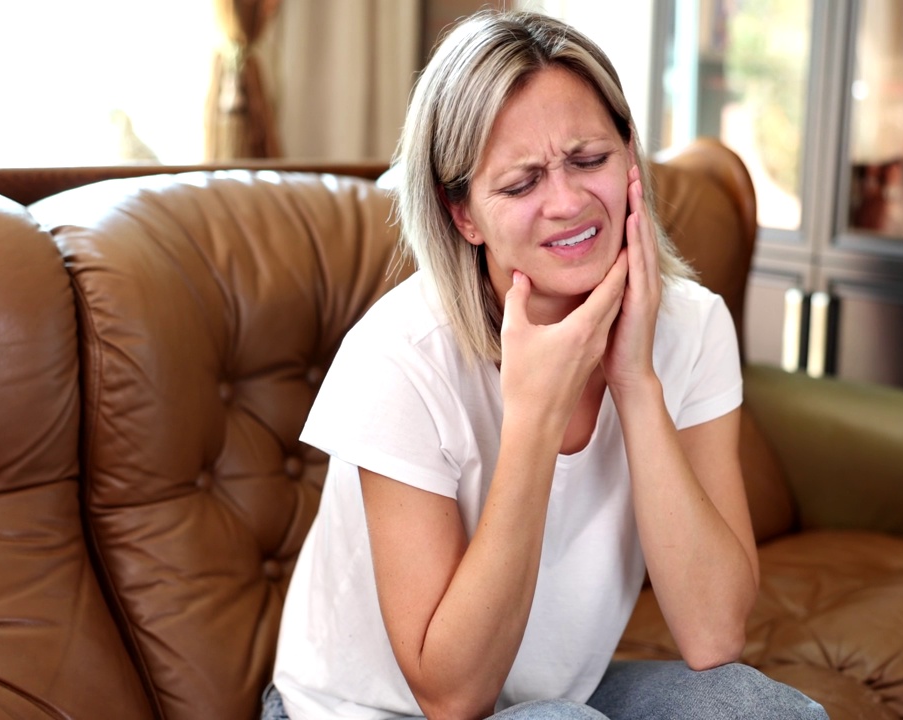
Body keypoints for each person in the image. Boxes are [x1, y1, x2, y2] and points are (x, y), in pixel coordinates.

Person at [264, 9, 828, 720]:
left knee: (755, 708)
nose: (566, 202)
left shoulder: (694, 326)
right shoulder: (401, 357)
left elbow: (714, 634)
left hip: (553, 702)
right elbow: (453, 694)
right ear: (463, 214)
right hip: (364, 711)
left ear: (630, 156)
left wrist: (636, 381)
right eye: (521, 183)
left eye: (589, 159)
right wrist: (533, 419)